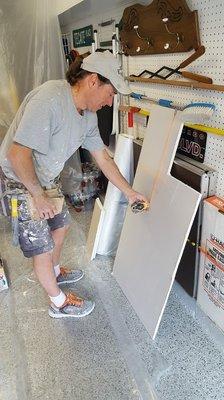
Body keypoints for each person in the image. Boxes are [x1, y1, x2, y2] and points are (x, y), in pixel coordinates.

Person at [0, 50, 148, 319]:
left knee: (62, 224)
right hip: (19, 178)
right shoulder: (50, 99)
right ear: (93, 80)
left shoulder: (88, 116)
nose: (110, 100)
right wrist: (37, 196)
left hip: (44, 177)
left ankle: (55, 272)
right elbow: (17, 153)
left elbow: (103, 157)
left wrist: (130, 192)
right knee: (42, 245)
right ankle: (58, 303)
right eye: (111, 92)